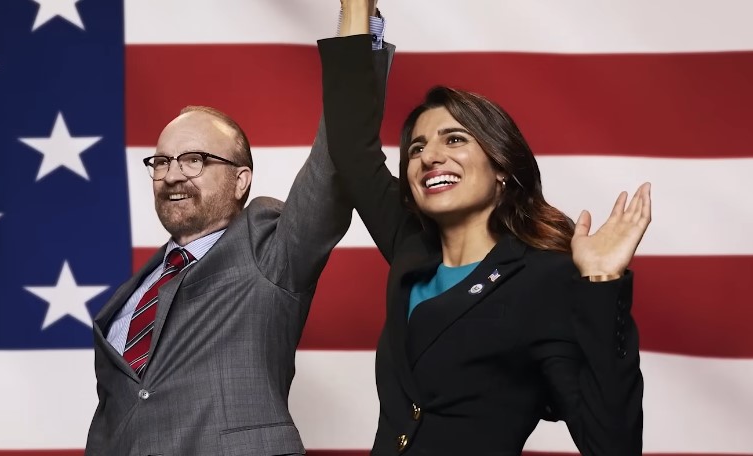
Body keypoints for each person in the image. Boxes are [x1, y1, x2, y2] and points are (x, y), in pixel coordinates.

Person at [317, 11, 649, 455]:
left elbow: (612, 445)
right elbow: (351, 148)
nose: (429, 156)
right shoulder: (412, 246)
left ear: (501, 168)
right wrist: (357, 11)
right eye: (417, 147)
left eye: (454, 139)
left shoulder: (544, 279)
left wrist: (603, 283)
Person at [84, 4, 392, 455]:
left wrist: (360, 22)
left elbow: (335, 158)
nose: (172, 174)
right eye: (162, 162)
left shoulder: (267, 251)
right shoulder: (133, 294)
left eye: (194, 160)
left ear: (241, 180)